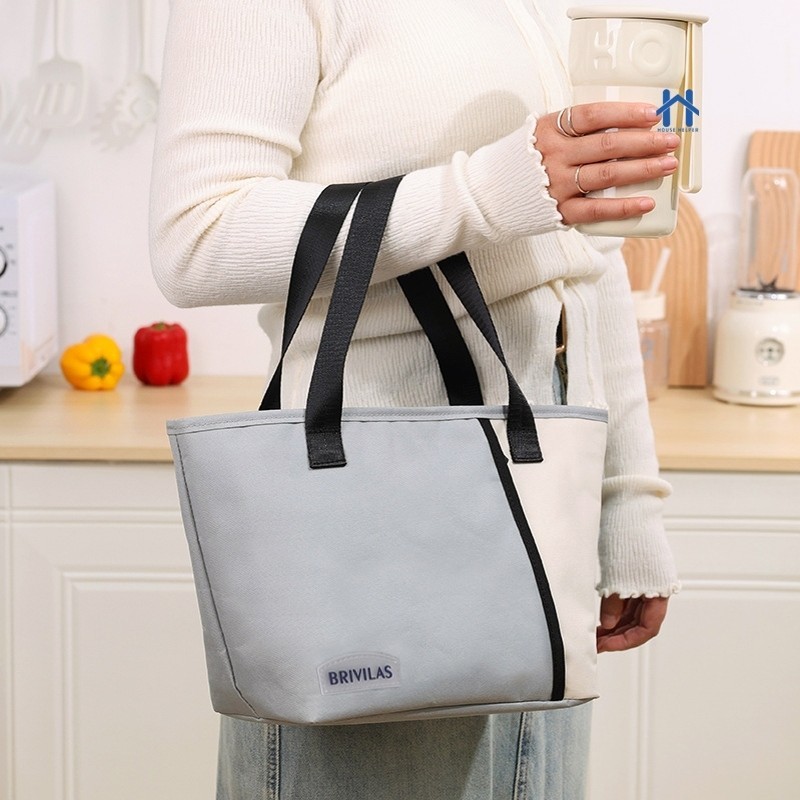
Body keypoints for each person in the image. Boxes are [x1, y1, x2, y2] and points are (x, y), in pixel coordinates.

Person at [149, 1, 680, 798]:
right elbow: (196, 238)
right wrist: (483, 193)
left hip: (549, 485)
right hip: (372, 505)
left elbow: (586, 253)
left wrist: (627, 502)